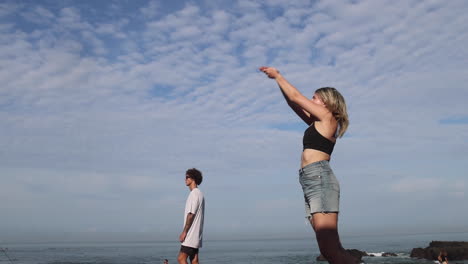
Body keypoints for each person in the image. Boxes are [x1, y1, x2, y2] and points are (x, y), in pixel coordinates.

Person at [260, 66, 357, 264]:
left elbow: (296, 96)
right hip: (310, 180)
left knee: (329, 250)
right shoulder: (317, 122)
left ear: (327, 102)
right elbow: (292, 102)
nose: (311, 101)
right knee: (331, 249)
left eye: (314, 98)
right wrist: (277, 83)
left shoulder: (328, 118)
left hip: (319, 178)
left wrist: (278, 75)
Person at [177, 168, 205, 264]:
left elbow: (190, 215)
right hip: (197, 235)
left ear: (193, 179)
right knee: (194, 259)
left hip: (190, 235)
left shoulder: (194, 194)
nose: (185, 179)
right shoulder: (200, 194)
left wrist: (184, 232)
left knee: (181, 258)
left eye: (187, 177)